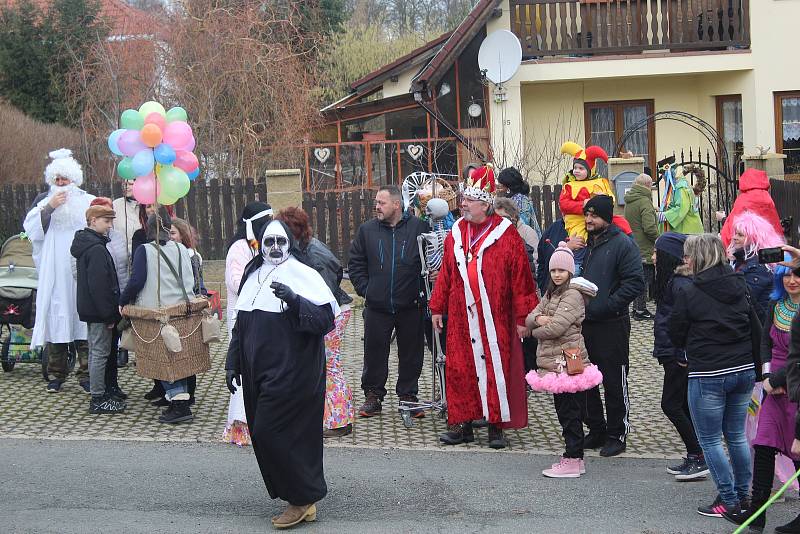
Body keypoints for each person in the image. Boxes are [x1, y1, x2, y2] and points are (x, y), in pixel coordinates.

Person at [225, 219, 337, 529]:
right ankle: (300, 497)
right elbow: (240, 323)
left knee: (270, 431)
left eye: (281, 242)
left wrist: (294, 299)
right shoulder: (252, 273)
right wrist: (232, 361)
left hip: (294, 370)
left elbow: (324, 320)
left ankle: (301, 498)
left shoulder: (304, 275)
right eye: (269, 241)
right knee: (266, 433)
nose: (275, 248)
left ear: (290, 244)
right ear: (260, 244)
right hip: (258, 370)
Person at [429, 165, 538, 449]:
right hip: (461, 316)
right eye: (463, 199)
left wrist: (524, 317)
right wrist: (437, 306)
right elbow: (447, 272)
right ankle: (462, 424)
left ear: (485, 205)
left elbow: (521, 278)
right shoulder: (456, 231)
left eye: (469, 200)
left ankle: (496, 426)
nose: (462, 203)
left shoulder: (506, 234)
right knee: (460, 370)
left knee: (495, 369)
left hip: (496, 317)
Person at [668, 233, 758, 518]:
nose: (686, 260)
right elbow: (753, 323)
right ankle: (744, 496)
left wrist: (685, 350)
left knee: (709, 440)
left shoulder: (690, 291)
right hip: (743, 369)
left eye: (688, 255)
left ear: (698, 258)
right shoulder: (739, 283)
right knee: (736, 436)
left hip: (709, 371)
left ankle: (729, 501)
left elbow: (675, 330)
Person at [724, 260, 800, 530]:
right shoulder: (774, 305)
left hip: (796, 387)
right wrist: (767, 376)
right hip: (773, 388)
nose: (791, 280)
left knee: (797, 450)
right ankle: (757, 512)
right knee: (765, 445)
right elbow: (765, 343)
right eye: (786, 275)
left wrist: (778, 380)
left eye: (796, 275)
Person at [348, 185, 428, 419]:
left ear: (396, 204)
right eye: (376, 202)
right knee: (374, 352)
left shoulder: (419, 228)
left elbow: (430, 262)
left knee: (411, 354)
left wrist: (421, 291)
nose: (376, 207)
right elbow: (355, 263)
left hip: (411, 305)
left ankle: (408, 396)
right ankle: (373, 396)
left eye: (381, 202)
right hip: (377, 306)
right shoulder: (367, 231)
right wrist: (367, 290)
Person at [525, 243, 603, 477]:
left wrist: (536, 329)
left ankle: (572, 457)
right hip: (557, 359)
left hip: (568, 358)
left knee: (570, 410)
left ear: (570, 272)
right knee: (564, 409)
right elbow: (530, 316)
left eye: (561, 270)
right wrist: (539, 319)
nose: (557, 274)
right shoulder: (551, 293)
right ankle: (573, 456)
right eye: (553, 270)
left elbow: (556, 328)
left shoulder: (572, 294)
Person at [277, 207, 355, 439]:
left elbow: (326, 289)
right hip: (326, 312)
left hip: (332, 313)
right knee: (323, 366)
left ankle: (340, 421)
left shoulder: (314, 253)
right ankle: (330, 417)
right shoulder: (303, 247)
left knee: (329, 366)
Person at [23, 148, 94, 393]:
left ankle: (86, 375)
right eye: (57, 180)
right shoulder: (45, 202)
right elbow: (31, 229)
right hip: (55, 273)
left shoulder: (86, 201)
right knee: (57, 322)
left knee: (82, 321)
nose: (61, 184)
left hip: (79, 273)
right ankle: (56, 374)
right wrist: (49, 208)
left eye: (65, 179)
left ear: (74, 179)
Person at [580, 195, 644, 457]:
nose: (588, 220)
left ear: (606, 217)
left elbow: (634, 283)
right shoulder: (588, 244)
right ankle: (596, 429)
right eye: (586, 215)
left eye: (593, 215)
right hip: (584, 325)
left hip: (611, 324)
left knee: (614, 381)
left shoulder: (623, 245)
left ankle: (617, 433)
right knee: (585, 380)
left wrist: (607, 306)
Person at [120, 208, 196, 424]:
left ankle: (180, 406)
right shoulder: (182, 248)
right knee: (179, 356)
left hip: (158, 312)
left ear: (148, 229)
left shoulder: (145, 250)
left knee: (164, 358)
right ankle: (178, 399)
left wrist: (123, 301)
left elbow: (137, 281)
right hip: (182, 309)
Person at [652, 232, 708, 480]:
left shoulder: (681, 285)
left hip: (679, 357)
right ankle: (696, 453)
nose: (653, 257)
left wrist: (679, 353)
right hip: (671, 354)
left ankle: (698, 454)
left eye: (657, 252)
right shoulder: (672, 282)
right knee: (683, 405)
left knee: (671, 405)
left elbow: (687, 324)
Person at [222, 201, 272, 447]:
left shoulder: (260, 246)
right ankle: (241, 425)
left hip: (260, 318)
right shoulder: (239, 248)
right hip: (242, 318)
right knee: (243, 371)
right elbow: (236, 282)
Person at [70, 204, 125, 414]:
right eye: (106, 221)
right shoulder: (95, 249)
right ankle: (98, 398)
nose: (110, 225)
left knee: (96, 352)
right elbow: (99, 286)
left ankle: (100, 393)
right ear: (93, 220)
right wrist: (108, 314)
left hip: (93, 310)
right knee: (100, 353)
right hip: (98, 312)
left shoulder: (91, 245)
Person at [558, 141, 632, 240]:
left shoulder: (600, 182)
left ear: (590, 170)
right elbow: (563, 204)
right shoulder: (569, 186)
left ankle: (631, 246)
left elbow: (611, 200)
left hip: (599, 218)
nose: (576, 171)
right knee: (581, 239)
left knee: (623, 223)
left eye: (581, 168)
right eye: (575, 167)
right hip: (578, 220)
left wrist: (603, 198)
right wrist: (582, 204)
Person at [727, 210, 784, 323]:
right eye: (735, 233)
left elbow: (739, 297)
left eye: (740, 235)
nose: (734, 237)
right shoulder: (748, 259)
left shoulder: (758, 265)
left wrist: (729, 266)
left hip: (758, 325)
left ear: (754, 238)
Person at [624, 173, 659, 320]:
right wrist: (659, 239)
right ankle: (640, 310)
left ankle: (635, 309)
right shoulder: (644, 201)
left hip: (633, 244)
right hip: (645, 247)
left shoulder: (630, 199)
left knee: (637, 278)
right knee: (644, 280)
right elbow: (649, 227)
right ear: (647, 185)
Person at [720, 168, 783, 249]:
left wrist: (725, 245)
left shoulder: (744, 199)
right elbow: (774, 222)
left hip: (745, 245)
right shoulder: (767, 197)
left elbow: (733, 224)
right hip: (768, 244)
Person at [537, 218, 586, 291]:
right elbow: (542, 262)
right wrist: (544, 287)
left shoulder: (588, 227)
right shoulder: (553, 229)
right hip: (551, 292)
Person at [658, 164, 705, 234]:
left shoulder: (681, 187)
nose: (663, 177)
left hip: (688, 231)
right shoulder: (679, 185)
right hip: (688, 230)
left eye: (664, 173)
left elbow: (682, 208)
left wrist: (665, 216)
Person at [496, 166, 542, 237]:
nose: (499, 189)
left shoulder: (522, 202)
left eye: (501, 186)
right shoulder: (513, 199)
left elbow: (522, 227)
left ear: (508, 187)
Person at [170, 217, 207, 296]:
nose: (170, 237)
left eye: (173, 233)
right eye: (168, 233)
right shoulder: (166, 254)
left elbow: (198, 284)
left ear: (182, 235)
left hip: (188, 299)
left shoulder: (192, 255)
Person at [112, 180, 141, 254]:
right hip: (121, 256)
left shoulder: (148, 207)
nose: (126, 187)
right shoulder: (115, 205)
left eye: (130, 184)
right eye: (124, 184)